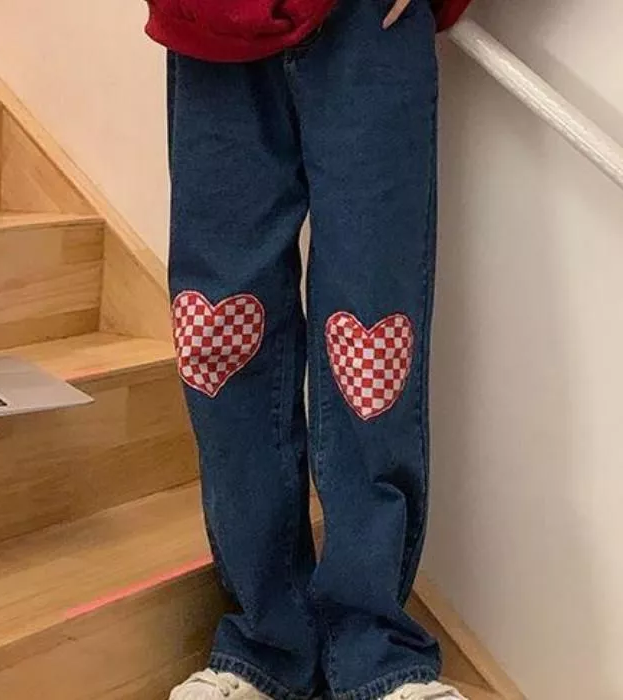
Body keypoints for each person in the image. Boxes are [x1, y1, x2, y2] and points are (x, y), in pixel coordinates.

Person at [145, 0, 473, 698]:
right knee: (217, 334)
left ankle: (374, 649)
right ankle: (265, 642)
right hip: (211, 22)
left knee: (374, 329)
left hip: (368, 27)